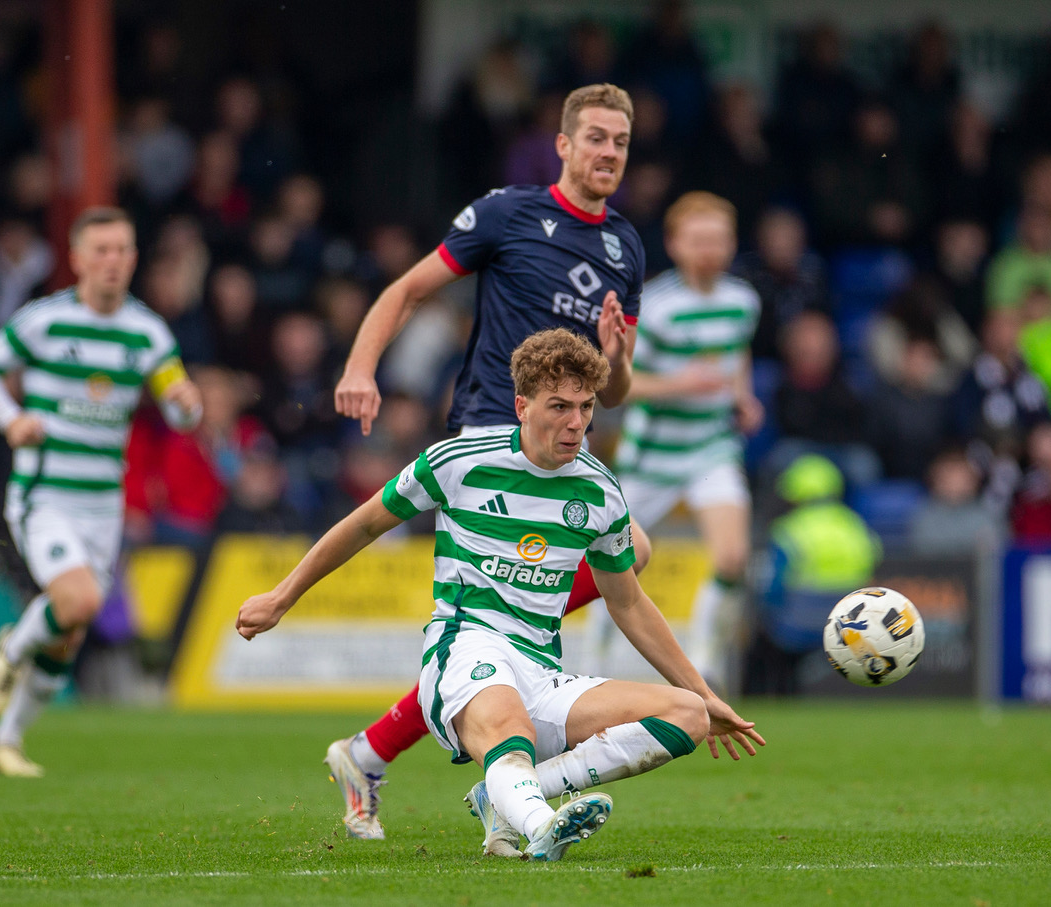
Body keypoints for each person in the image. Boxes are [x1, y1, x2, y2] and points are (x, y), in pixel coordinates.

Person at [237, 329, 764, 861]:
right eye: (559, 406)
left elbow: (627, 603)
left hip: (542, 670)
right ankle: (541, 826)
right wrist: (282, 597)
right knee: (509, 728)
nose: (576, 422)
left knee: (688, 715)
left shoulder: (600, 490)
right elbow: (363, 525)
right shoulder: (457, 462)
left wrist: (705, 691)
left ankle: (512, 791)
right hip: (465, 648)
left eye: (585, 407)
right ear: (522, 405)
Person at [327, 83, 651, 840]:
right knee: (600, 568)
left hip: (565, 445)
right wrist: (359, 366)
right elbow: (407, 288)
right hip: (489, 440)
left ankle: (374, 750)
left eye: (621, 142)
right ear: (564, 145)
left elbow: (621, 388)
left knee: (626, 552)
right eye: (595, 138)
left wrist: (618, 357)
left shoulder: (626, 246)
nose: (608, 152)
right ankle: (497, 803)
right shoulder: (508, 212)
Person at [0, 207, 202, 777]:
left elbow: (177, 407)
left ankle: (4, 742)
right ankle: (9, 652)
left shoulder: (147, 333)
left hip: (103, 506)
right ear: (76, 258)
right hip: (44, 493)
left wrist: (188, 405)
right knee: (79, 602)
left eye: (122, 250)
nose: (112, 261)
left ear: (134, 259)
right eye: (100, 250)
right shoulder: (43, 321)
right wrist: (10, 418)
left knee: (68, 631)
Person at [595, 192, 762, 690]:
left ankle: (703, 662)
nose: (710, 250)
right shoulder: (658, 307)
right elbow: (618, 383)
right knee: (617, 566)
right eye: (699, 240)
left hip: (712, 448)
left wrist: (743, 397)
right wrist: (680, 384)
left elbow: (736, 356)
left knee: (732, 557)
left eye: (719, 240)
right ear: (675, 244)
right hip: (651, 458)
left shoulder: (742, 301)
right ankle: (593, 664)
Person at [745, 454, 881, 695]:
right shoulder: (855, 525)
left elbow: (773, 588)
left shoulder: (789, 528)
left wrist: (765, 613)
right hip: (850, 628)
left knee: (760, 648)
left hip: (795, 626)